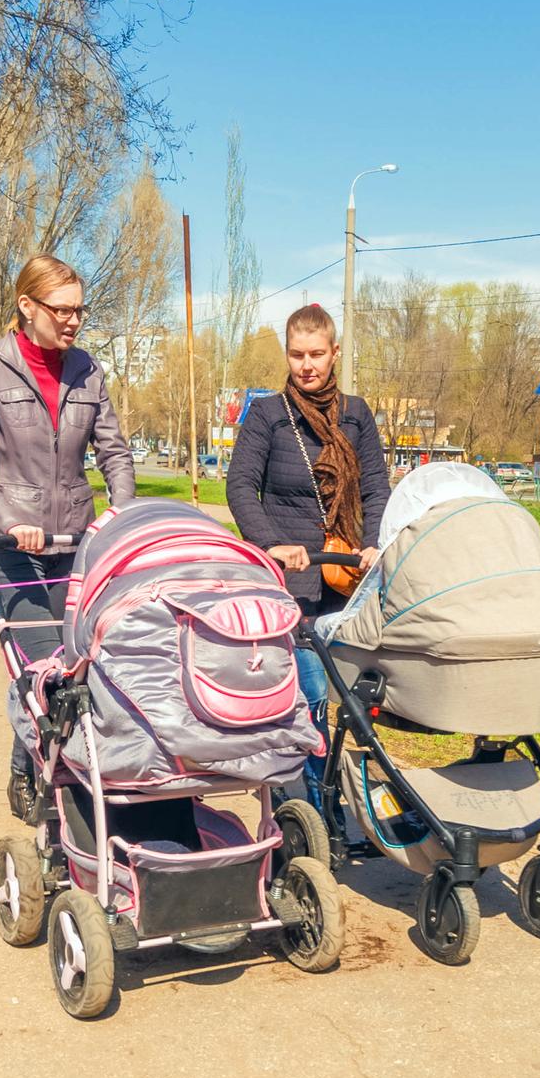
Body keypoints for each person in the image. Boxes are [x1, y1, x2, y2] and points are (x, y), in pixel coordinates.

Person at [0, 254, 135, 816]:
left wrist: (120, 517)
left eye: (80, 310)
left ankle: (49, 771)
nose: (73, 321)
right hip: (16, 550)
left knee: (83, 669)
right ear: (26, 306)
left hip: (80, 548)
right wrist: (9, 522)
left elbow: (114, 452)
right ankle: (35, 774)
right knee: (44, 672)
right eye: (61, 310)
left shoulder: (88, 370)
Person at [225, 303, 391, 813]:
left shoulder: (357, 414)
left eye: (317, 353)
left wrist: (374, 542)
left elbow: (376, 489)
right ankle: (313, 809)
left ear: (334, 352)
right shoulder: (269, 415)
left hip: (348, 581)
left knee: (360, 702)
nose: (307, 365)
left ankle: (337, 793)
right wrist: (272, 543)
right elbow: (240, 488)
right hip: (290, 584)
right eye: (297, 355)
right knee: (313, 695)